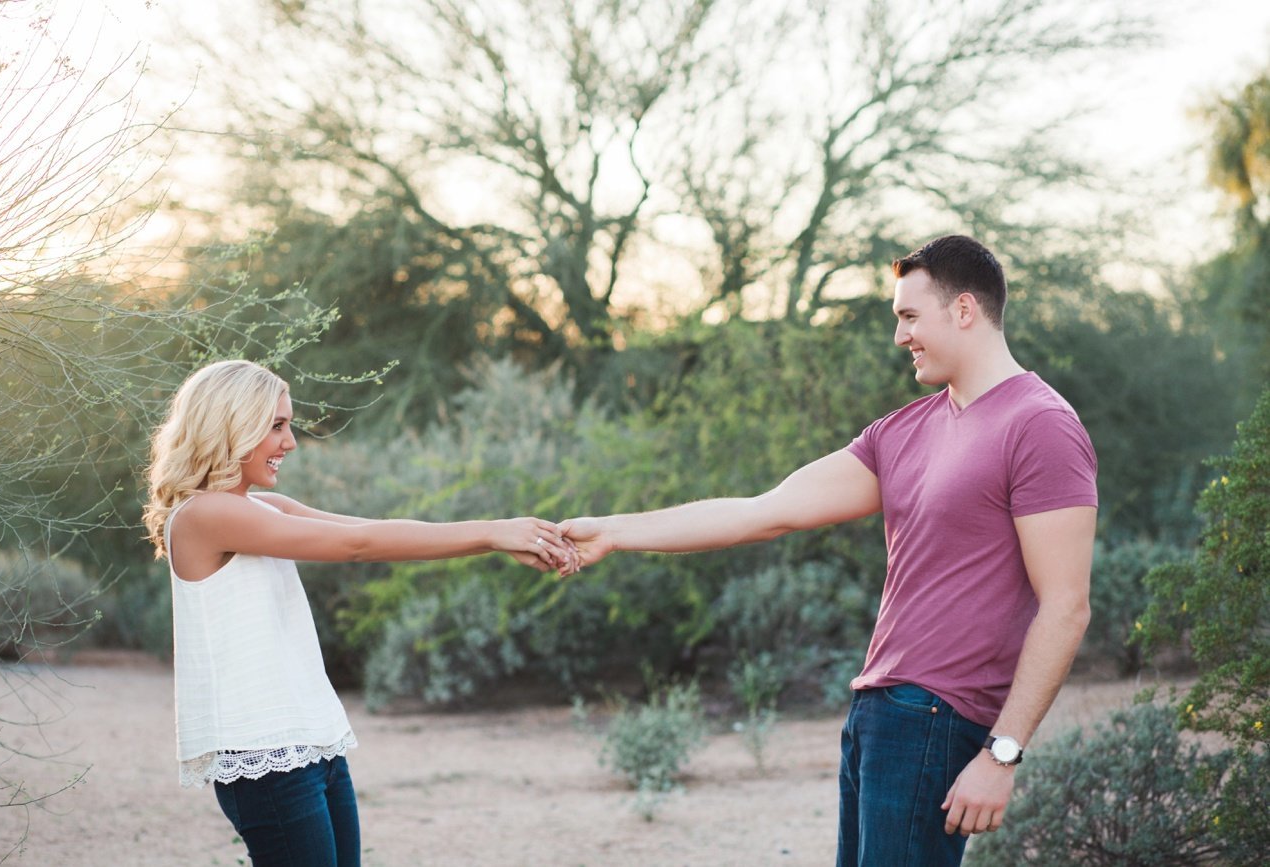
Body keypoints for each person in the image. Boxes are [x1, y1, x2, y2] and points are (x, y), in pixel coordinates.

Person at [559, 235, 1097, 866]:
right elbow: (765, 512)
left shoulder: (1040, 425)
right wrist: (616, 531)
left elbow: (1066, 606)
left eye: (909, 317)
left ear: (964, 310)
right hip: (878, 712)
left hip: (939, 717)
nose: (900, 337)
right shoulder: (902, 431)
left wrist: (1001, 753)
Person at [142, 359, 576, 867]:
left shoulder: (265, 507)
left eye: (289, 425)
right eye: (276, 426)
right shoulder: (204, 515)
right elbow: (358, 545)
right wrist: (492, 531)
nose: (290, 442)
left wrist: (497, 541)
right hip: (264, 758)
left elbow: (375, 530)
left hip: (313, 744)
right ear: (230, 425)